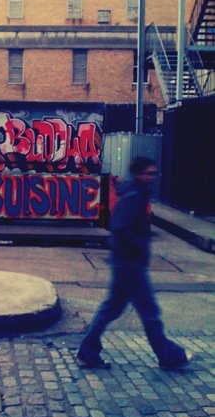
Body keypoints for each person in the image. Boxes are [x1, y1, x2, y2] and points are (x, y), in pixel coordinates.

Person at [77, 156, 191, 370]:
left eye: (154, 173)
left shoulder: (137, 193)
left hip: (125, 263)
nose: (153, 177)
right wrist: (139, 245)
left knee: (111, 309)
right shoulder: (134, 196)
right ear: (138, 174)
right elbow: (120, 227)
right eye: (148, 173)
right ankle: (169, 355)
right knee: (150, 313)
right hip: (130, 265)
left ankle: (88, 351)